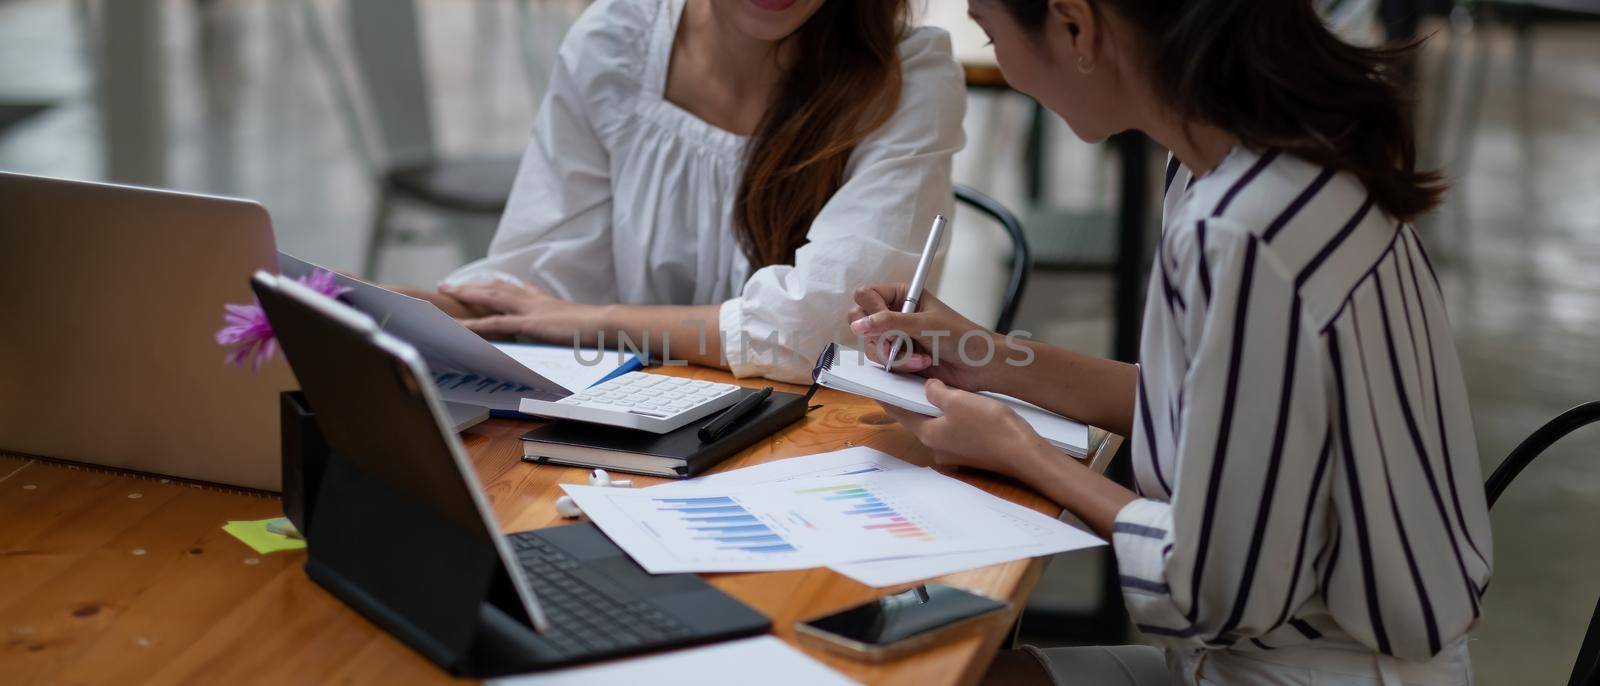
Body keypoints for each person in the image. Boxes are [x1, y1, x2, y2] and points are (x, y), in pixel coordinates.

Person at [848, 0, 1490, 684]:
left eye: (991, 31)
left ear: (1075, 25)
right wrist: (986, 356)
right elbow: (1207, 410)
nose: (1001, 60)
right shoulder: (1251, 158)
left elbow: (1214, 590)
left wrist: (1021, 452)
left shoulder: (1238, 229)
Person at [412, 0, 964, 384]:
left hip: (822, 439)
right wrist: (356, 301)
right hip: (633, 422)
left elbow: (818, 329)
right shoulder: (615, 42)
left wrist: (598, 321)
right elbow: (541, 290)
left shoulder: (908, 74)